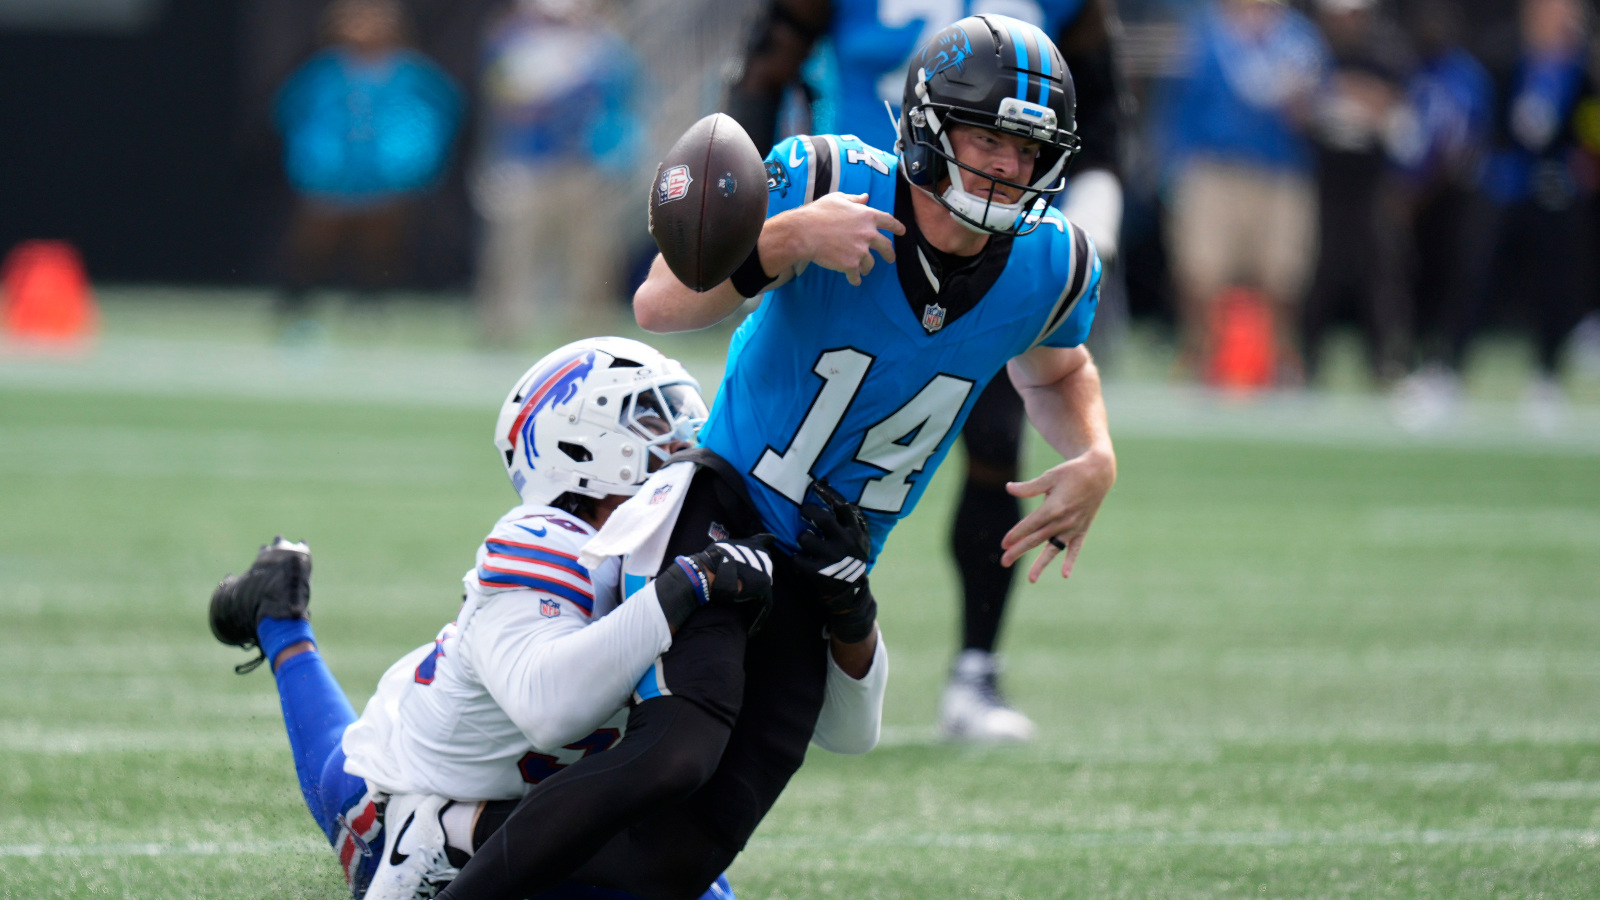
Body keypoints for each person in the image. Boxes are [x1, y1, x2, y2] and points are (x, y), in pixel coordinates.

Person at [436, 15, 1114, 900]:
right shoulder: (823, 177)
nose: (1008, 168)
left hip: (831, 568)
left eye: (1028, 151)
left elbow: (1060, 372)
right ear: (929, 127)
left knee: (691, 851)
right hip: (721, 514)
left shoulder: (1052, 263)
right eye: (989, 138)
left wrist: (1096, 454)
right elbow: (658, 301)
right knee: (674, 754)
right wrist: (785, 241)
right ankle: (440, 857)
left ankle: (468, 848)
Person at [207, 337, 888, 900]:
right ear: (578, 443)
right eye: (655, 416)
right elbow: (552, 707)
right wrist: (686, 588)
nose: (689, 436)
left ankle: (278, 610)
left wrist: (850, 609)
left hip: (553, 812)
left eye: (689, 416)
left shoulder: (691, 548)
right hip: (403, 801)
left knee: (679, 875)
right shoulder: (546, 540)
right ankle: (284, 622)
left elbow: (849, 732)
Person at [725, 0, 1128, 742]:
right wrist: (749, 217)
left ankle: (976, 669)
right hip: (864, 215)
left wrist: (1093, 230)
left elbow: (1098, 102)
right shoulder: (832, 167)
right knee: (785, 445)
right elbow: (767, 62)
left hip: (996, 243)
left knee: (997, 448)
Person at [1161, 0, 1329, 382]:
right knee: (1200, 268)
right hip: (1213, 166)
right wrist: (1172, 166)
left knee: (1283, 272)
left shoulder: (1299, 39)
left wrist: (1305, 107)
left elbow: (1320, 105)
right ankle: (1200, 352)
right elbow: (1179, 104)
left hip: (1282, 168)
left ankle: (1279, 356)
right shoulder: (1205, 33)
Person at [274, 0, 462, 336]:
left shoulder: (410, 73)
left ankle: (369, 305)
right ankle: (297, 303)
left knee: (380, 243)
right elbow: (292, 111)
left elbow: (440, 112)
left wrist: (412, 158)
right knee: (316, 239)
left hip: (384, 174)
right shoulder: (325, 72)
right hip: (330, 173)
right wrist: (314, 155)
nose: (364, 27)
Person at [472, 0, 644, 343]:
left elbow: (620, 93)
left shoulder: (602, 44)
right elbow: (502, 92)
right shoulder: (513, 40)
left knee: (590, 255)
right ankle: (502, 330)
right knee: (514, 251)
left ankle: (591, 333)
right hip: (526, 164)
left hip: (585, 165)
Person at [1299, 0, 1415, 385]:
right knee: (1319, 272)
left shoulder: (1386, 53)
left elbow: (1400, 114)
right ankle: (1308, 360)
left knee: (1379, 274)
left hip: (1370, 182)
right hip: (1325, 178)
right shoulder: (1313, 48)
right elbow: (1301, 101)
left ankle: (1385, 362)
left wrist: (1357, 97)